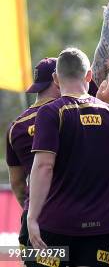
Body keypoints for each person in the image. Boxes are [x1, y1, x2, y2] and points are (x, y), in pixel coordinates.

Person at [27, 48, 109, 266]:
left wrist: (32, 217)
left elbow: (43, 167)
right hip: (100, 225)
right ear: (89, 75)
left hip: (56, 223)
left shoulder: (50, 112)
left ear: (55, 79)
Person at [5, 58, 61, 252]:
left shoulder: (16, 127)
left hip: (35, 218)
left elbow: (18, 184)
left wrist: (31, 210)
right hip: (74, 218)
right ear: (57, 79)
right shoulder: (69, 114)